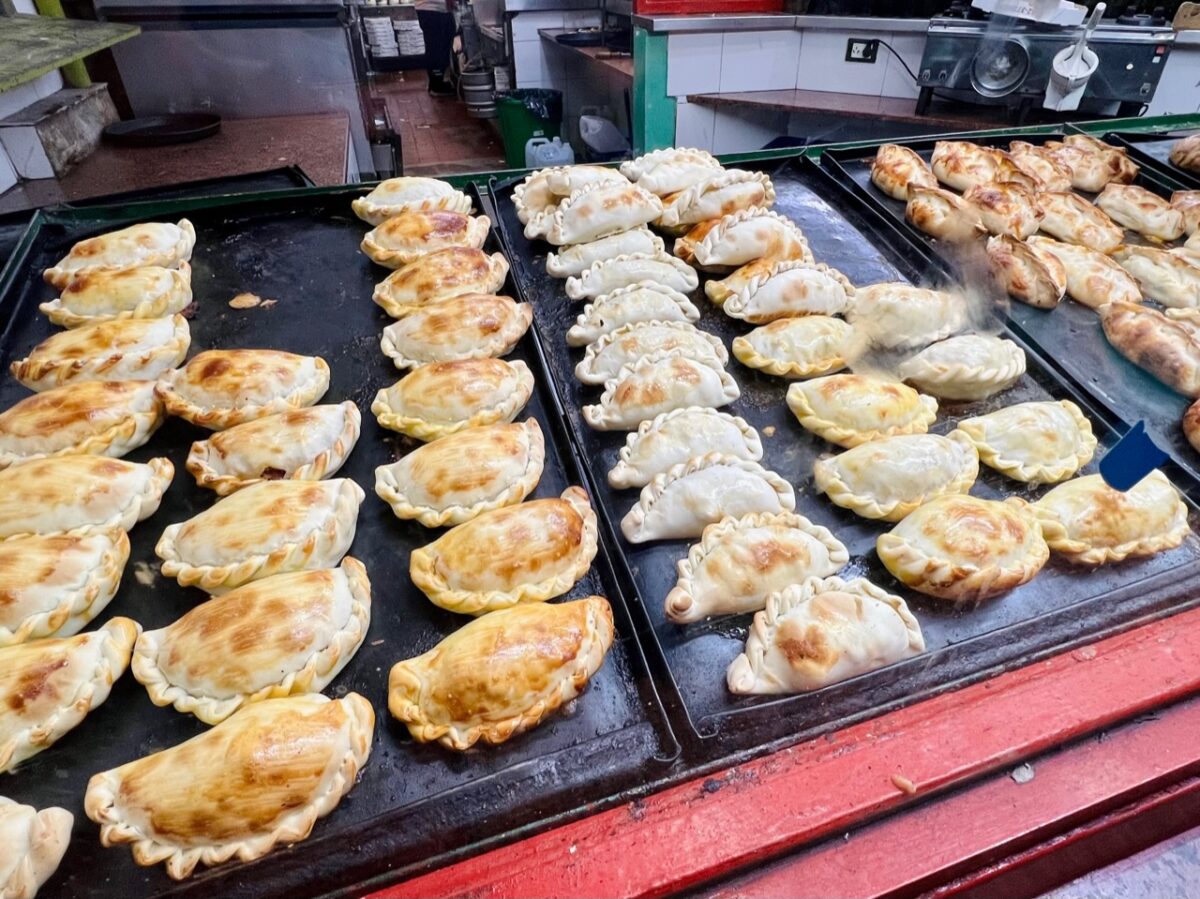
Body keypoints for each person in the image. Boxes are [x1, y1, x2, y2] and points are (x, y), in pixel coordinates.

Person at [415, 0, 456, 96]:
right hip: (432, 8)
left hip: (434, 8)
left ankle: (436, 82)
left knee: (438, 46)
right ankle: (437, 84)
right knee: (436, 47)